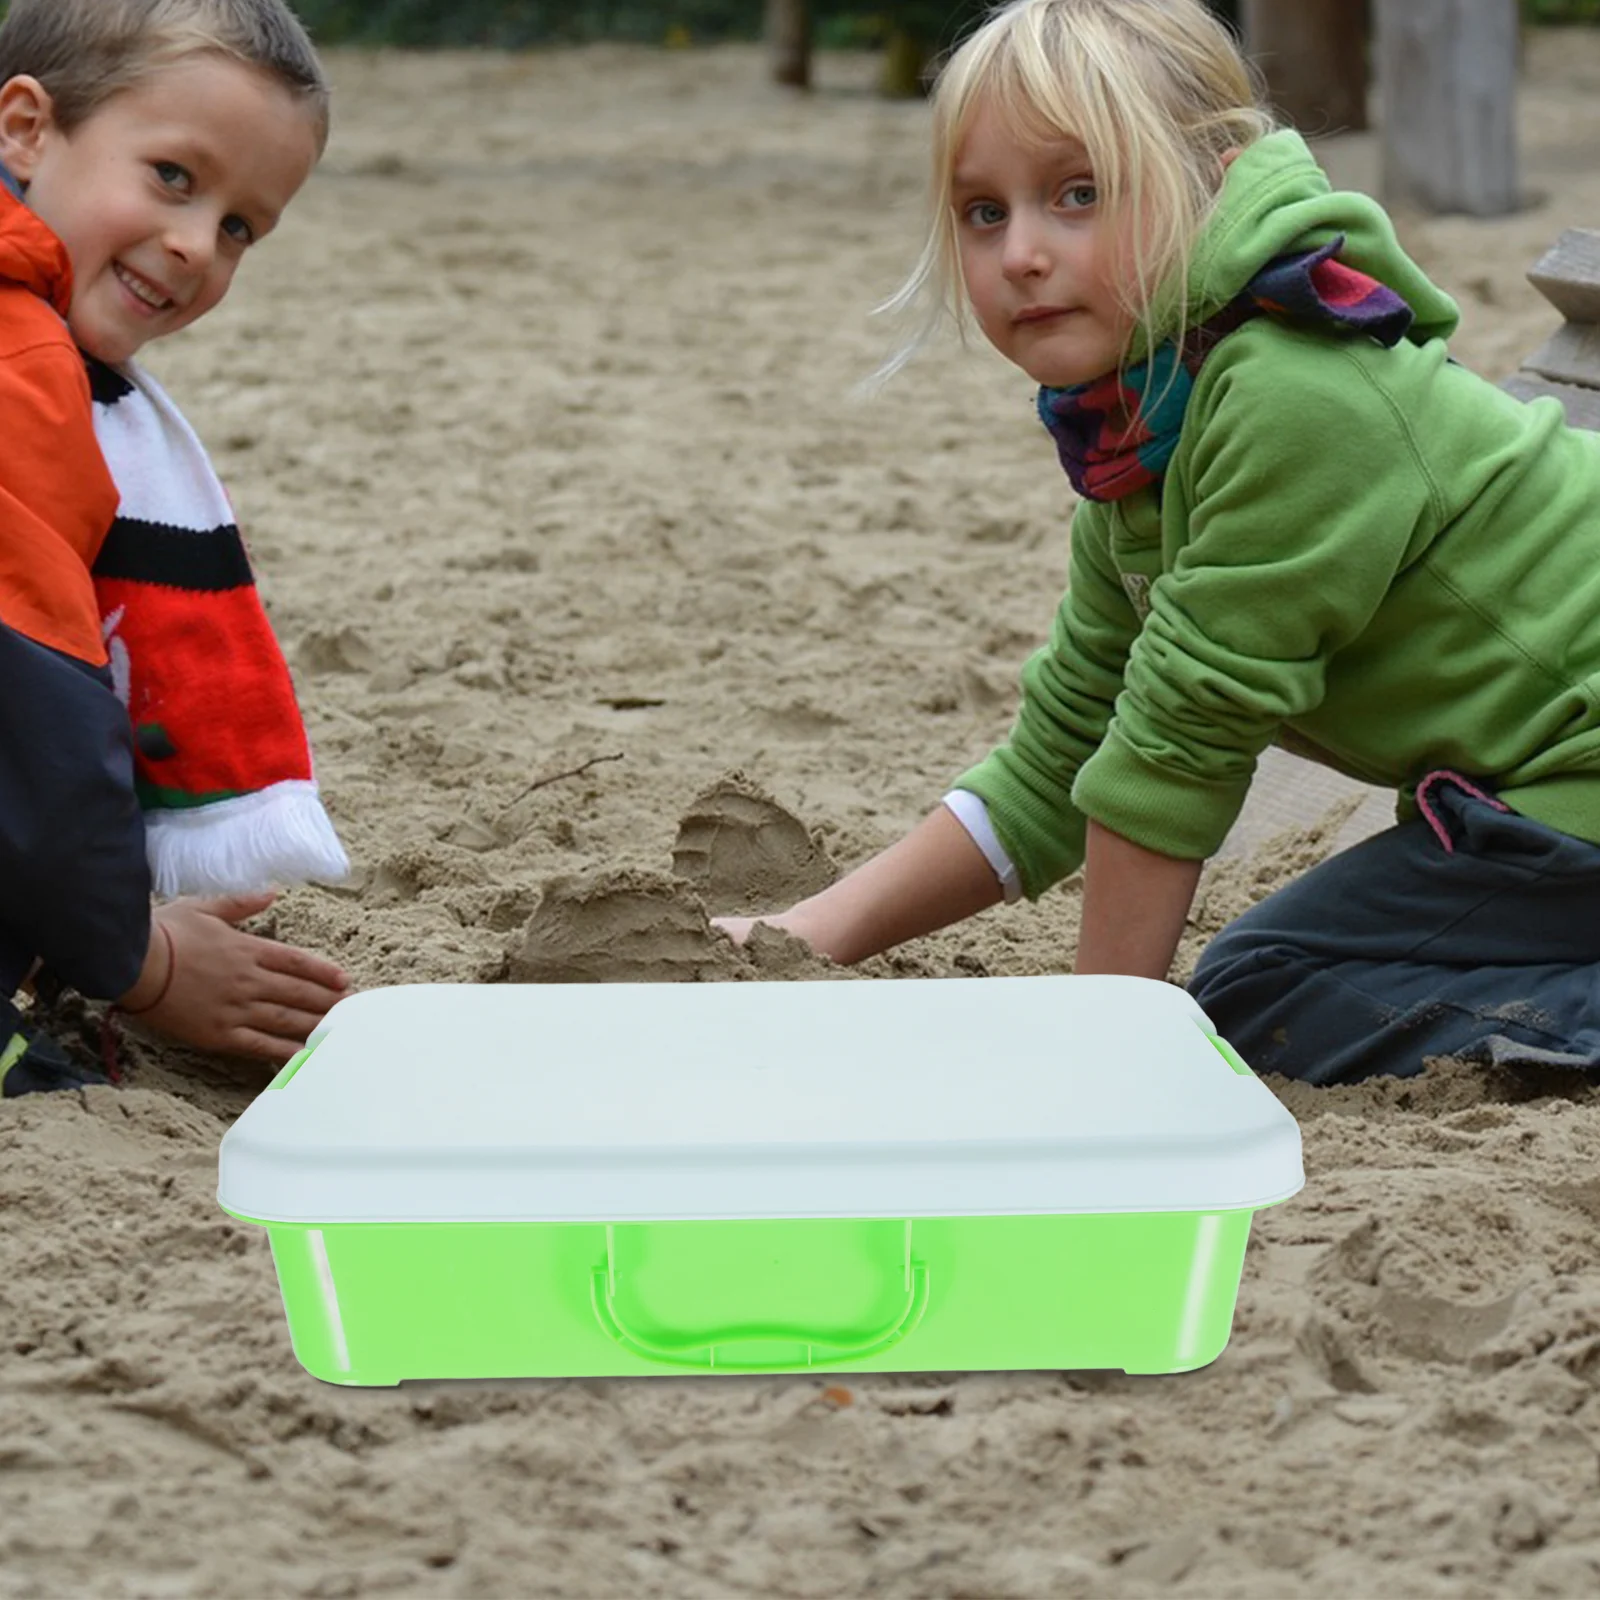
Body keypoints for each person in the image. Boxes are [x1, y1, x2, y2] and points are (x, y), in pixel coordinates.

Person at [717, 0, 1600, 1086]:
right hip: (1543, 786)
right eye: (983, 212)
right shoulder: (1146, 430)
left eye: (1078, 194)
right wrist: (796, 940)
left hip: (1577, 776)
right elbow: (1065, 754)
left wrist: (1099, 1063)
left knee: (1261, 990)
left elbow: (1180, 744)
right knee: (1266, 983)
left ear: (1210, 177)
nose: (1024, 253)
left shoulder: (1294, 392)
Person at [0, 0, 352, 1095]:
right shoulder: (23, 375)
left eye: (242, 226)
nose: (197, 245)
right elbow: (32, 716)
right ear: (25, 127)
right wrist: (141, 962)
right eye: (172, 177)